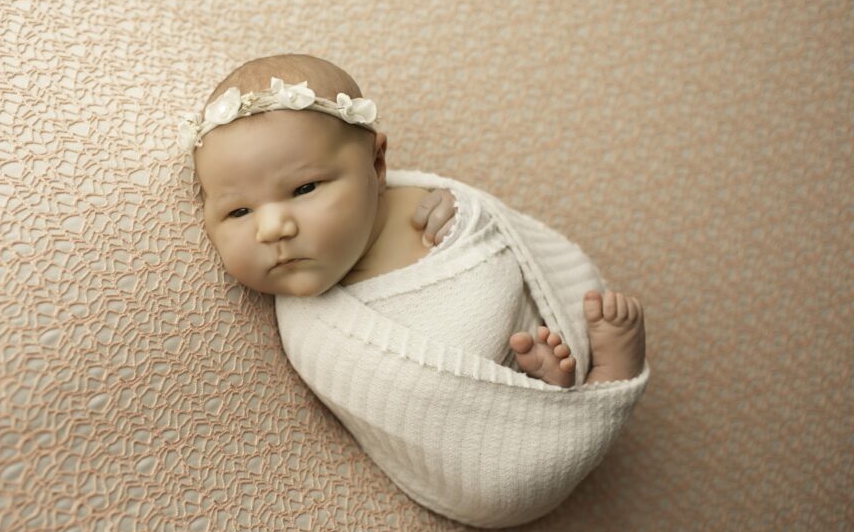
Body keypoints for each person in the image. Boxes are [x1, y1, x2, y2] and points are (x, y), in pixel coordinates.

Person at [180, 53, 644, 388]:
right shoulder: (320, 333)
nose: (273, 228)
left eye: (304, 189)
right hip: (466, 408)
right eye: (239, 211)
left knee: (543, 333)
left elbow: (490, 235)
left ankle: (605, 369)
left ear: (377, 165)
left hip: (522, 321)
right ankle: (540, 391)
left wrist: (463, 215)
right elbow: (404, 399)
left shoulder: (424, 201)